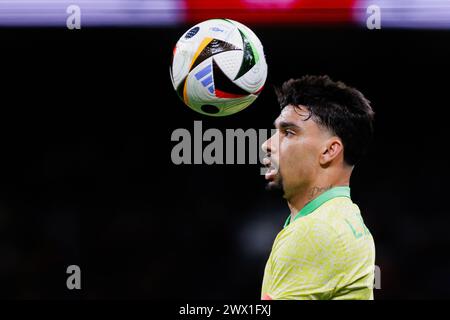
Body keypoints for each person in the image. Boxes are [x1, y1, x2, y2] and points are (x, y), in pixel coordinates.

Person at [261, 75, 376, 300]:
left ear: (329, 151)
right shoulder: (343, 217)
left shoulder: (316, 232)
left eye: (288, 133)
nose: (267, 144)